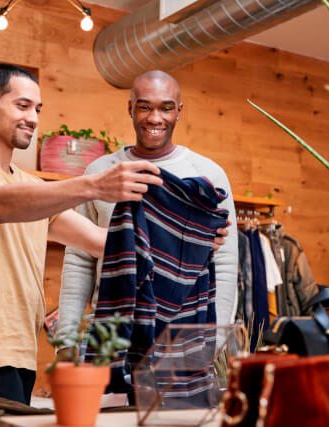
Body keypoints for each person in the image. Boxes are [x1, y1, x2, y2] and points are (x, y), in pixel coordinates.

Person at [0, 63, 165, 406]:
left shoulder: (31, 188)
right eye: (22, 106)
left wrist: (186, 238)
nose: (34, 118)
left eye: (37, 109)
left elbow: (101, 242)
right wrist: (92, 185)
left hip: (19, 356)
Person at [57, 70, 238, 363]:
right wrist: (66, 339)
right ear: (130, 108)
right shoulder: (100, 173)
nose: (156, 118)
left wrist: (214, 341)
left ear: (179, 111)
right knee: (107, 409)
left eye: (166, 108)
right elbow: (79, 258)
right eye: (145, 106)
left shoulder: (208, 176)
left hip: (182, 337)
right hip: (110, 333)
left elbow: (226, 264)